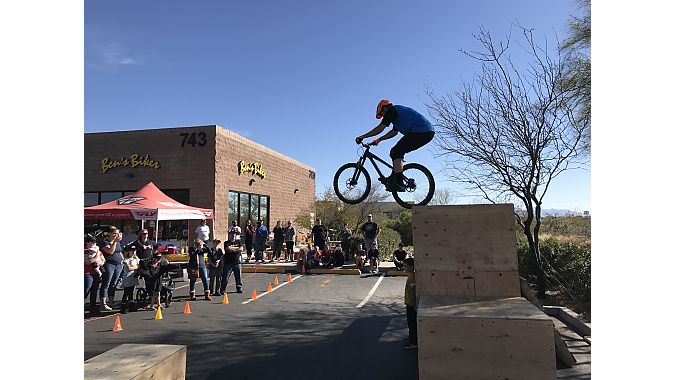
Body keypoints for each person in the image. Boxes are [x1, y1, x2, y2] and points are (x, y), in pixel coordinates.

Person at [355, 100, 435, 192]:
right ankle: (394, 178)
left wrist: (362, 136)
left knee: (396, 152)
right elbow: (393, 132)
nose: (384, 116)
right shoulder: (397, 114)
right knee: (396, 153)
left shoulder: (392, 111)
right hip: (426, 132)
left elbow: (380, 129)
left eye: (382, 113)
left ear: (385, 107)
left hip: (420, 132)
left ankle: (400, 184)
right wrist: (379, 140)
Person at [100, 226, 124, 311]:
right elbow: (110, 251)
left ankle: (111, 301)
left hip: (118, 265)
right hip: (109, 265)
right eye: (114, 234)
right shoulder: (105, 242)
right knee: (106, 283)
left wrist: (122, 259)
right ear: (110, 234)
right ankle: (103, 302)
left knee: (113, 284)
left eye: (117, 234)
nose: (116, 235)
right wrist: (114, 242)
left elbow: (119, 251)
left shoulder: (118, 242)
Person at [84, 235, 105, 317]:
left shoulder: (98, 251)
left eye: (94, 243)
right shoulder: (85, 251)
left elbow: (103, 260)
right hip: (87, 273)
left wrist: (99, 263)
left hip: (95, 273)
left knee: (94, 291)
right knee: (86, 290)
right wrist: (96, 256)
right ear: (87, 243)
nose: (93, 244)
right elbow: (88, 262)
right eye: (91, 242)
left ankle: (92, 308)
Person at [120, 243, 140, 314]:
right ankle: (123, 307)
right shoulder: (126, 260)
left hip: (133, 277)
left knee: (131, 292)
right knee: (126, 292)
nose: (133, 252)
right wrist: (135, 267)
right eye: (132, 251)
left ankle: (131, 306)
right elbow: (128, 268)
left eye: (134, 251)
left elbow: (139, 266)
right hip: (127, 278)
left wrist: (135, 267)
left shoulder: (136, 259)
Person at [403, 257, 417, 349]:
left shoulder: (412, 278)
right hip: (409, 304)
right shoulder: (411, 276)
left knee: (412, 324)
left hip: (411, 305)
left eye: (406, 266)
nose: (404, 268)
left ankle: (413, 342)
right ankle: (411, 338)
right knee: (410, 323)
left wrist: (414, 304)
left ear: (412, 267)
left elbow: (414, 291)